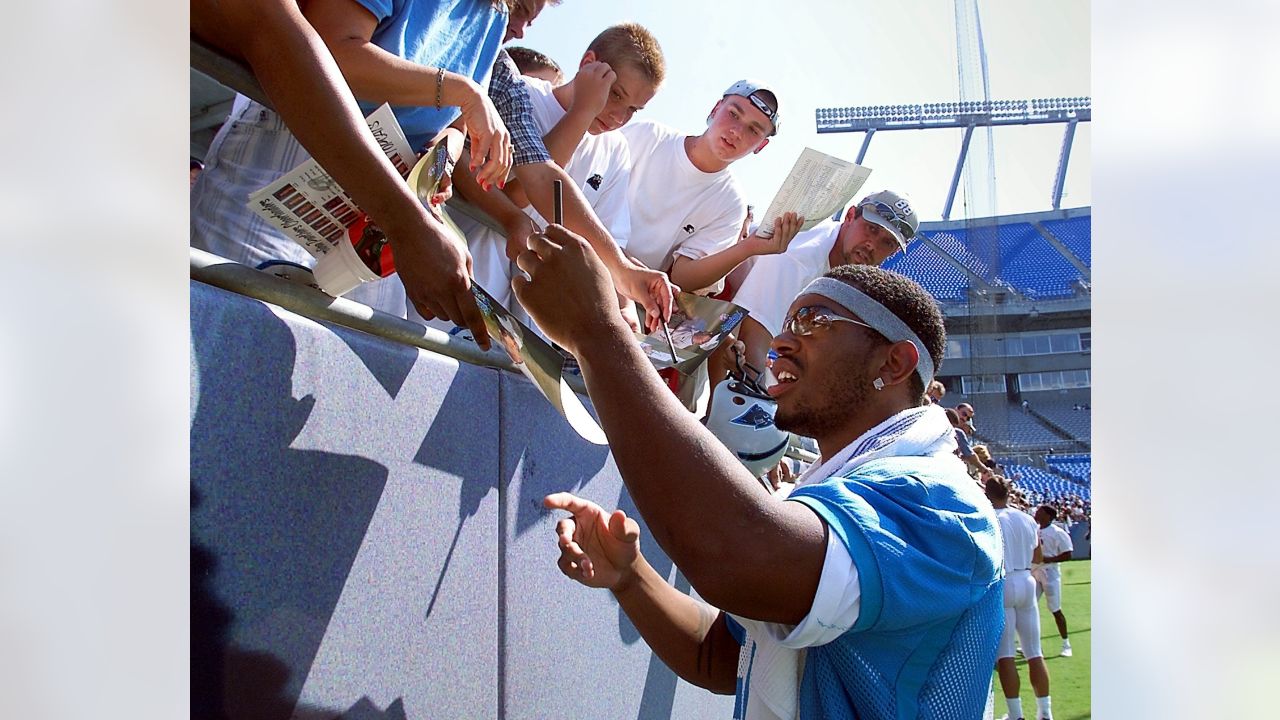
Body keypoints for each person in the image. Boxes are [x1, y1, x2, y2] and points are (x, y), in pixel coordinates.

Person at [513, 237, 1003, 719]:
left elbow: (739, 558)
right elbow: (724, 658)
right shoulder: (833, 492)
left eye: (813, 323)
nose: (781, 342)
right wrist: (632, 577)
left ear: (893, 363)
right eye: (788, 322)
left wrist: (600, 333)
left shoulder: (940, 504)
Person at [190, 0, 514, 345]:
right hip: (298, 142)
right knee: (220, 331)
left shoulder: (495, 14)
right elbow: (329, 48)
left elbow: (454, 126)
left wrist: (438, 163)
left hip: (388, 200)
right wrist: (462, 90)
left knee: (342, 353)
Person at [458, 23, 664, 328]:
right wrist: (581, 112)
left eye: (633, 109)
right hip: (472, 275)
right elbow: (517, 192)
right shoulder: (521, 94)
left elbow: (605, 238)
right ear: (588, 65)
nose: (619, 117)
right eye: (615, 95)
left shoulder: (616, 151)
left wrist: (624, 305)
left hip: (532, 320)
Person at [712, 189, 920, 381]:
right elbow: (753, 336)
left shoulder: (853, 281)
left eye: (887, 242)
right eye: (871, 229)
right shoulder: (803, 253)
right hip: (705, 305)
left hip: (726, 326)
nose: (872, 245)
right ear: (849, 217)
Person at [620, 80, 803, 294]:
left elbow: (682, 278)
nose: (737, 131)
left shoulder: (731, 203)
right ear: (716, 109)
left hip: (631, 294)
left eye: (754, 130)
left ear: (761, 146)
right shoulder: (649, 136)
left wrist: (749, 247)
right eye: (734, 114)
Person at [986, 476, 1054, 720]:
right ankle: (1045, 712)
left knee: (1005, 654)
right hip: (1026, 579)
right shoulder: (1026, 518)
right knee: (1034, 650)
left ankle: (1016, 715)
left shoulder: (990, 517)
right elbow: (1038, 555)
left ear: (987, 493)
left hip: (1003, 582)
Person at [1034, 505, 1074, 657]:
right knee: (1029, 606)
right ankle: (1033, 645)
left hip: (1050, 573)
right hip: (1035, 571)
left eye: (1040, 512)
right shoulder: (1035, 530)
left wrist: (1050, 559)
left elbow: (1068, 554)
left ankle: (1066, 643)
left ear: (1048, 516)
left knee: (1055, 609)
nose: (1037, 513)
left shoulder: (1058, 532)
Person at [948, 407, 992, 475]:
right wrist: (984, 469)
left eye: (968, 418)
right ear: (956, 410)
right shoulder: (957, 432)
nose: (965, 418)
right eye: (964, 414)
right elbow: (970, 455)